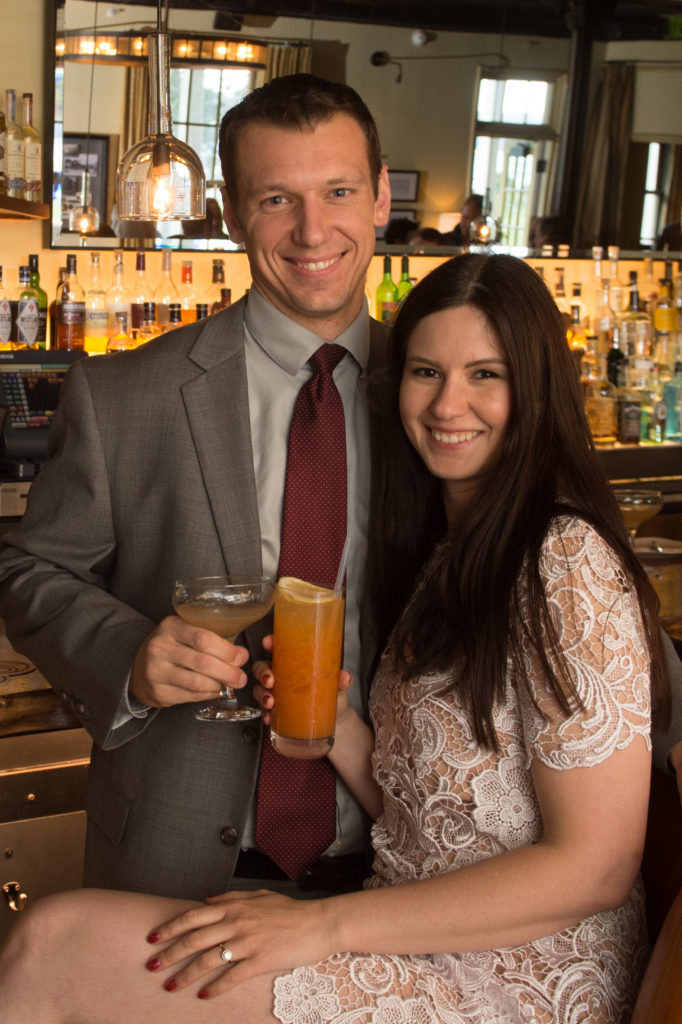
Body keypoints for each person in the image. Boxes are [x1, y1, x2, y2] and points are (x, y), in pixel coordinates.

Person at [0, 252, 675, 1023]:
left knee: (54, 945)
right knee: (54, 944)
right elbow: (447, 816)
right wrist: (341, 735)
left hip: (509, 975)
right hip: (415, 935)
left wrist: (317, 926)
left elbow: (597, 868)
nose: (449, 403)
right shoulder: (454, 550)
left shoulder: (563, 558)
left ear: (540, 386)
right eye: (426, 372)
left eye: (487, 374)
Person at [0, 73, 392, 900]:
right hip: (172, 875)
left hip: (400, 875)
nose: (312, 229)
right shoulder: (123, 395)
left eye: (339, 191)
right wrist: (130, 657)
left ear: (382, 196)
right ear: (231, 209)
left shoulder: (439, 400)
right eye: (277, 198)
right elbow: (30, 575)